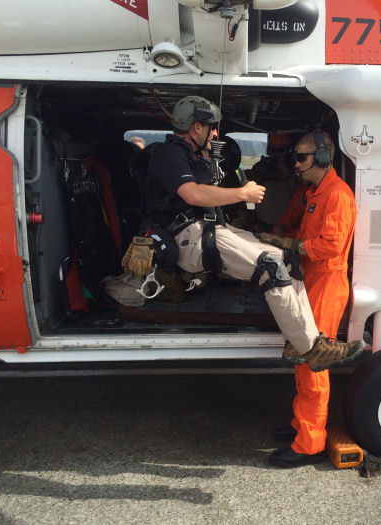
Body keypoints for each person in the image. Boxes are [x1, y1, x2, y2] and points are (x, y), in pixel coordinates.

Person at [141, 96, 364, 373]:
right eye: (211, 128)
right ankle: (312, 347)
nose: (215, 134)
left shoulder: (192, 157)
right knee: (269, 266)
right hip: (186, 237)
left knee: (287, 259)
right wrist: (242, 193)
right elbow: (193, 194)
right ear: (196, 127)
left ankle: (301, 342)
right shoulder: (169, 154)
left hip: (204, 230)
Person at [257, 131, 357, 468]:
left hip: (326, 283)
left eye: (301, 158)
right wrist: (282, 238)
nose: (295, 164)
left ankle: (310, 443)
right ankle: (303, 425)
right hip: (311, 280)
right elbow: (308, 236)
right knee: (302, 355)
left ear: (324, 156)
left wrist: (287, 244)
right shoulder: (315, 193)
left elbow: (329, 246)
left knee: (314, 361)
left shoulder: (337, 196)